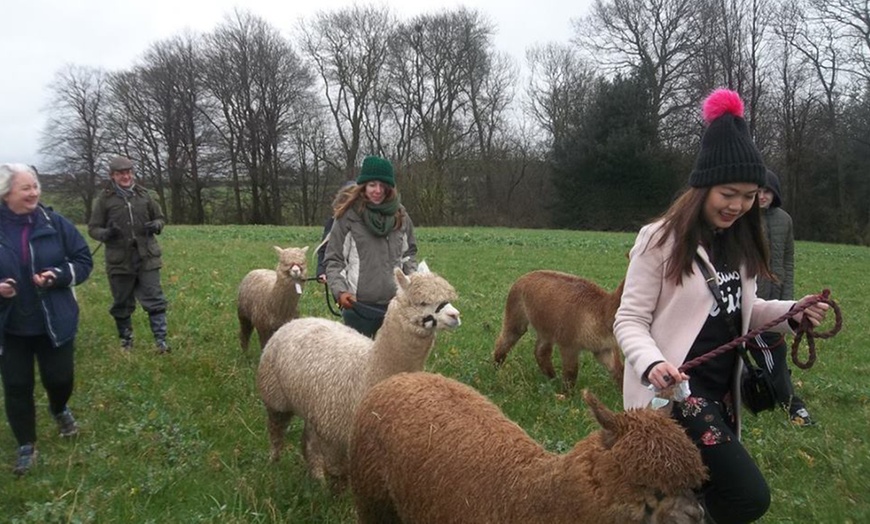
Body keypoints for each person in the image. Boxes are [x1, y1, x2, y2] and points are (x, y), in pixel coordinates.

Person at [613, 89, 830, 524]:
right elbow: (629, 319)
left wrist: (792, 314)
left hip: (722, 394)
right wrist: (653, 363)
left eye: (750, 195)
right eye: (729, 193)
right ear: (703, 187)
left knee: (689, 491)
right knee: (748, 496)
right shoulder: (659, 240)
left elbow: (741, 314)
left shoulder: (741, 243)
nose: (738, 205)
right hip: (675, 398)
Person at [0, 163, 93, 476]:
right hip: (9, 326)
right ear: (7, 193)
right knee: (16, 385)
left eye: (35, 186)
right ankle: (26, 445)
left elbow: (83, 260)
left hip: (54, 320)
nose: (33, 192)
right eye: (25, 187)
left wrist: (57, 275)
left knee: (60, 378)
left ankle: (58, 407)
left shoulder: (55, 223)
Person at [323, 156, 417, 337]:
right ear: (364, 185)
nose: (378, 191)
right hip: (358, 307)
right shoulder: (347, 217)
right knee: (359, 362)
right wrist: (341, 291)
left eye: (383, 185)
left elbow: (409, 255)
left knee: (391, 362)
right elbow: (334, 260)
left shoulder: (401, 216)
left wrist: (410, 285)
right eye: (372, 184)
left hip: (395, 305)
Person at [87, 155, 170, 353]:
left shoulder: (145, 195)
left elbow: (160, 217)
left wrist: (156, 225)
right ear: (112, 176)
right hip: (119, 260)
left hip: (147, 256)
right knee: (122, 302)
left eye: (128, 172)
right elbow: (93, 228)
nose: (125, 176)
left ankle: (161, 342)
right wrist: (106, 233)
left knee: (155, 298)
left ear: (133, 173)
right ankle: (126, 341)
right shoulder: (105, 200)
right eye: (120, 173)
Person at [750, 170, 813, 426]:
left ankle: (786, 398)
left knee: (775, 354)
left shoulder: (784, 220)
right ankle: (790, 404)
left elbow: (788, 259)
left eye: (767, 192)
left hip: (776, 299)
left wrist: (790, 308)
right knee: (765, 354)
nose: (762, 196)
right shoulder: (743, 219)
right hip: (750, 303)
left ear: (775, 194)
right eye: (758, 191)